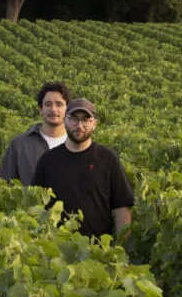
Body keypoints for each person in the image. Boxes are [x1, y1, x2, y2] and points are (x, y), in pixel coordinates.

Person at [30, 98, 134, 241]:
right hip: (55, 252)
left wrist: (121, 249)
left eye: (85, 120)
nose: (79, 125)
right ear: (65, 121)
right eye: (74, 119)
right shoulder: (48, 161)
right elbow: (36, 205)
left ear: (94, 124)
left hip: (98, 254)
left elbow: (121, 208)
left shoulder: (108, 159)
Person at [0, 80, 71, 184]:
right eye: (48, 104)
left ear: (67, 109)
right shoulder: (19, 145)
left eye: (59, 104)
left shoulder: (78, 145)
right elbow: (4, 186)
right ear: (40, 109)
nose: (53, 109)